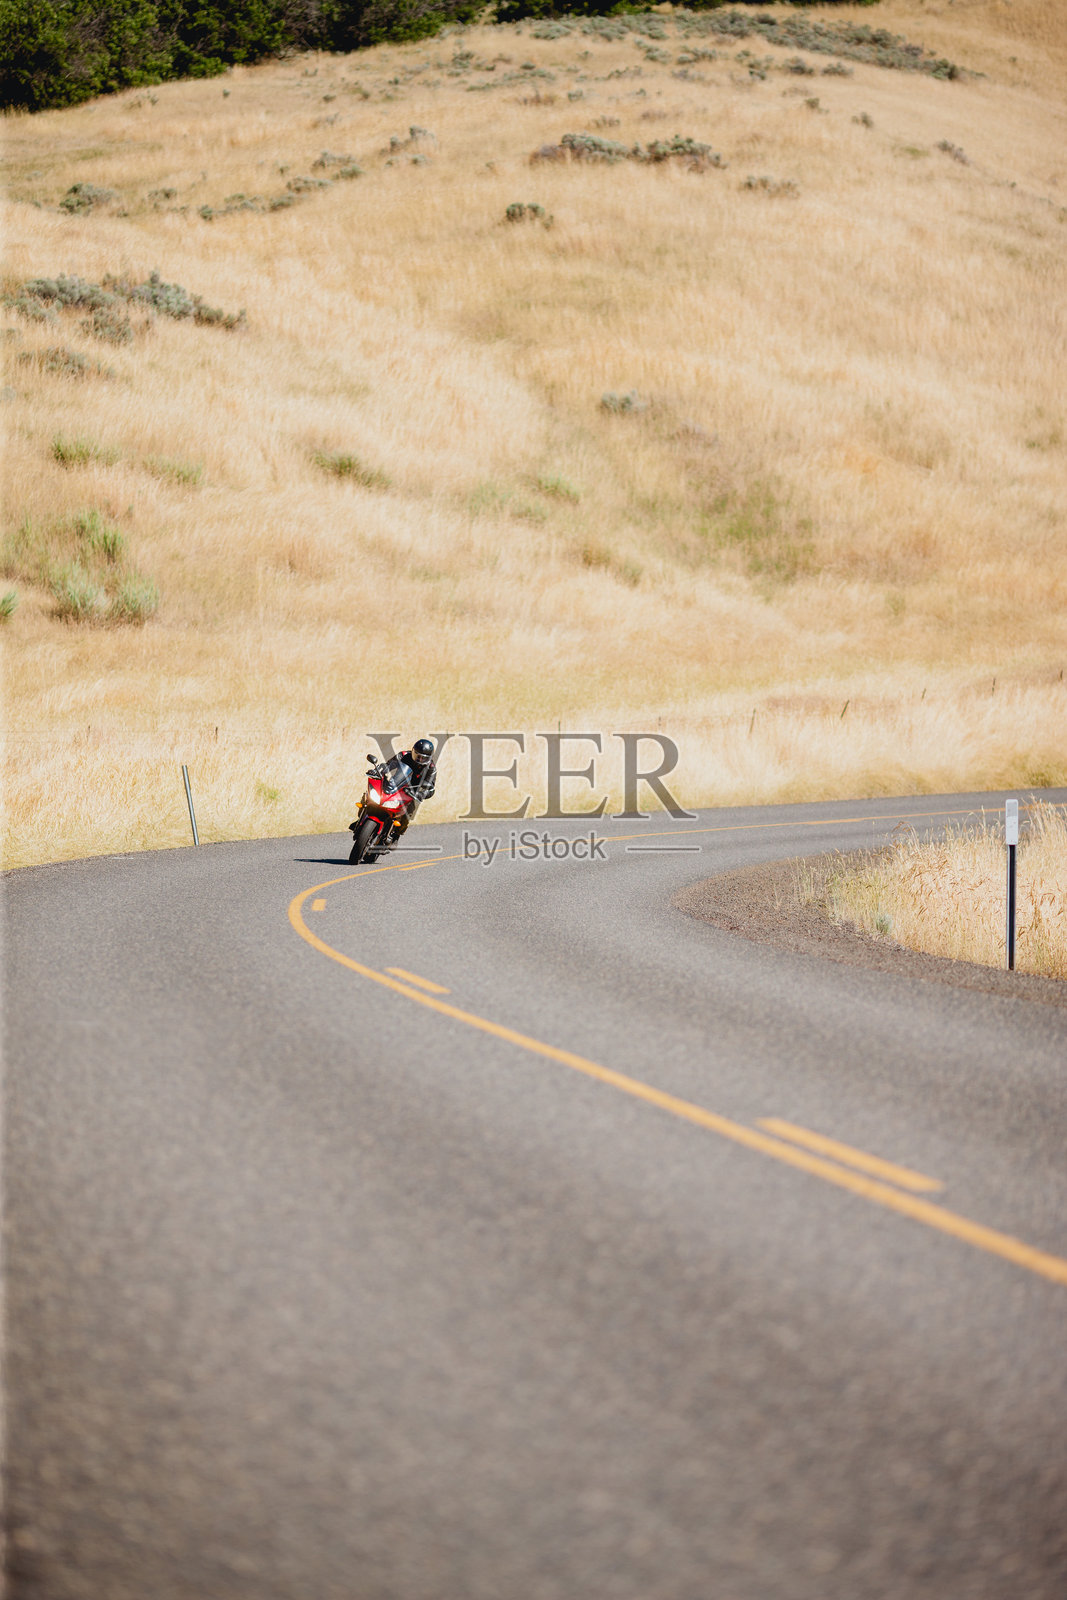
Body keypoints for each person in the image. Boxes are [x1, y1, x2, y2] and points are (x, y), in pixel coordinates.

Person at [383, 738, 436, 840]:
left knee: (408, 812)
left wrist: (421, 794)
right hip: (396, 784)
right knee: (374, 793)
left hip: (412, 792)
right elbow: (388, 765)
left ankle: (396, 836)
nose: (419, 760)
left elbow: (431, 787)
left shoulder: (431, 768)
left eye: (423, 758)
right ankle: (364, 815)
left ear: (429, 758)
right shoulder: (403, 755)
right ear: (413, 751)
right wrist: (380, 770)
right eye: (417, 755)